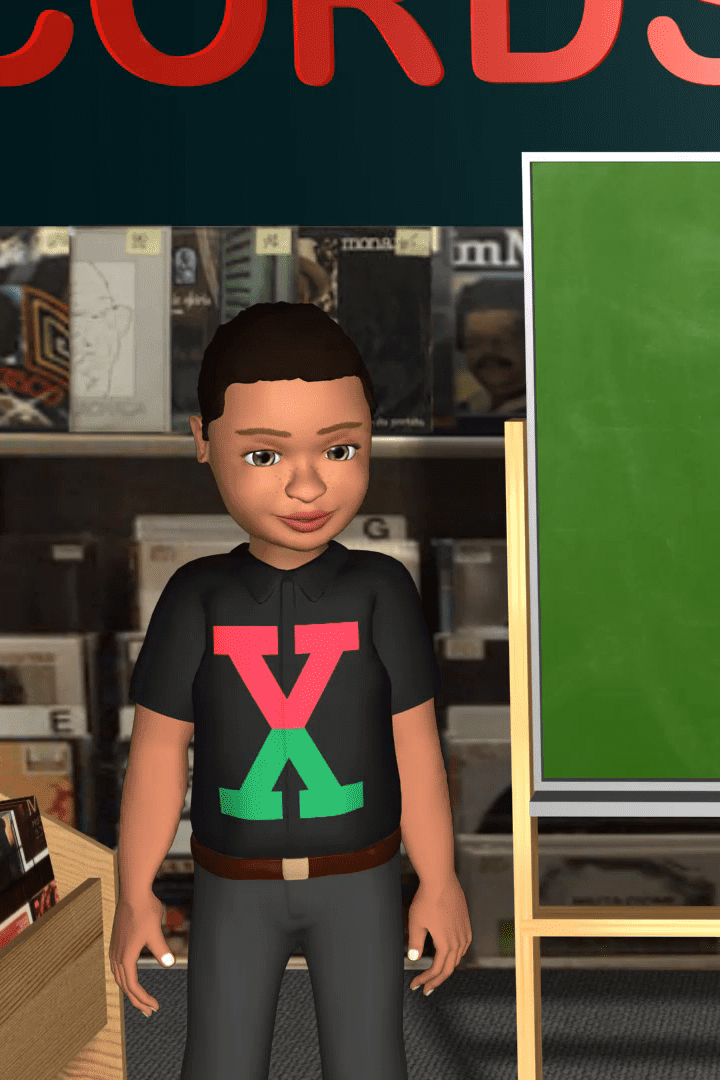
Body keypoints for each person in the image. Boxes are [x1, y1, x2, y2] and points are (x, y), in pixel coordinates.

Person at [109, 303, 468, 1080]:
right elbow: (159, 753)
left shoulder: (382, 589)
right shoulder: (195, 596)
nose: (309, 485)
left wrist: (439, 880)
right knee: (220, 1062)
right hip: (231, 887)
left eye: (341, 448)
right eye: (266, 456)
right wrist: (133, 890)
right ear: (203, 444)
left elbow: (414, 745)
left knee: (372, 1061)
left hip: (362, 881)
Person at [454, 277, 527, 414]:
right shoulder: (466, 409)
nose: (488, 351)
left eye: (503, 339)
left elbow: (513, 435)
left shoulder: (545, 413)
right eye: (474, 341)